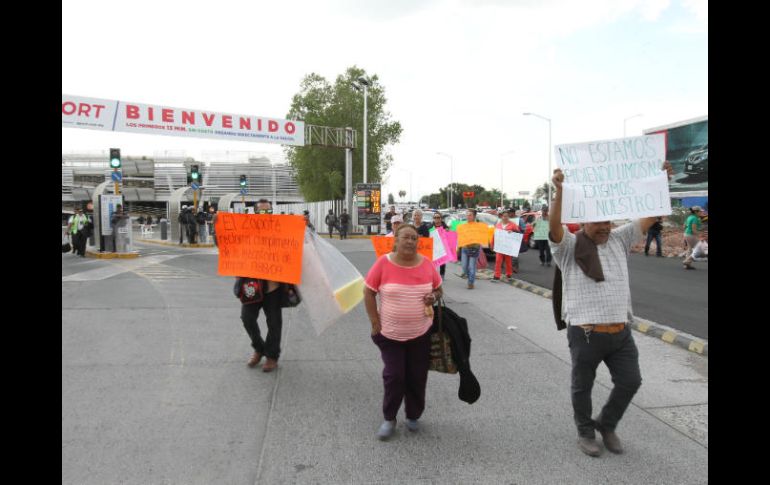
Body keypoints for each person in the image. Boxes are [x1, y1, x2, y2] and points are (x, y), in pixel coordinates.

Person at [549, 162, 671, 457]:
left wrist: (661, 182)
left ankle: (607, 423)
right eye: (597, 223)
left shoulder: (619, 238)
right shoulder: (568, 247)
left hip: (621, 333)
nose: (605, 227)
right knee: (583, 387)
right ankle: (585, 432)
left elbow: (649, 215)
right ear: (582, 223)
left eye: (608, 221)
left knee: (631, 381)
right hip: (586, 333)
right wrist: (560, 192)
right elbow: (554, 229)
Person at [364, 223, 443, 440]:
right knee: (395, 376)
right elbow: (368, 292)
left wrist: (433, 297)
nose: (410, 241)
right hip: (389, 334)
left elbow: (438, 288)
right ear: (395, 241)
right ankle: (389, 418)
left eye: (414, 238)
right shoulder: (383, 263)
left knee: (417, 376)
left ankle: (413, 415)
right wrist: (374, 322)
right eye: (406, 237)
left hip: (421, 333)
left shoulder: (427, 264)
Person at [239, 199, 285, 372]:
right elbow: (227, 245)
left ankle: (272, 356)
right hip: (251, 286)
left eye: (269, 212)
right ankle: (259, 348)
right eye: (262, 212)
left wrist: (302, 227)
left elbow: (296, 245)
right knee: (247, 318)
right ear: (255, 213)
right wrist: (217, 227)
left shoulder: (281, 230)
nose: (266, 215)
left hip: (272, 286)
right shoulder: (245, 230)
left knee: (274, 323)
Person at [459, 209, 483, 289]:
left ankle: (470, 282)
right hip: (465, 248)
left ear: (474, 216)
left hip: (474, 249)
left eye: (470, 215)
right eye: (467, 215)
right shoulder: (463, 225)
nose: (468, 216)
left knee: (472, 267)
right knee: (464, 267)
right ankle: (470, 277)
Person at [492, 209, 516, 282]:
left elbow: (519, 232)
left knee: (508, 261)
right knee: (498, 260)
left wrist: (512, 231)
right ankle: (496, 276)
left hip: (508, 246)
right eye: (504, 216)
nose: (505, 217)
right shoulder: (498, 225)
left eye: (507, 216)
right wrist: (492, 244)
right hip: (499, 246)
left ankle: (509, 274)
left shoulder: (513, 224)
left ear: (508, 217)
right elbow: (494, 235)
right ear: (501, 217)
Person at [431, 213, 450, 280]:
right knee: (433, 262)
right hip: (433, 247)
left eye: (438, 217)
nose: (437, 219)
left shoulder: (445, 226)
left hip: (442, 247)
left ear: (441, 218)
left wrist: (448, 231)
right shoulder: (430, 226)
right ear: (433, 219)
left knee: (442, 262)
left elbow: (450, 236)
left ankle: (442, 275)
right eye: (435, 217)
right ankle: (433, 275)